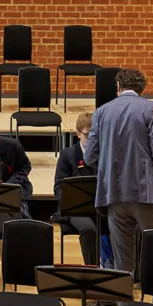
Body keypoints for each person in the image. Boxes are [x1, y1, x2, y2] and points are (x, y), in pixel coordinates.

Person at [84, 68, 153, 273]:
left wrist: (110, 162)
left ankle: (124, 295)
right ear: (141, 89)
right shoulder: (150, 108)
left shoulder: (101, 112)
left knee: (123, 263)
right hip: (147, 194)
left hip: (114, 196)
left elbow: (89, 157)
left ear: (118, 86)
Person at [53, 113, 100, 264]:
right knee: (88, 229)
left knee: (125, 222)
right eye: (88, 135)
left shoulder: (104, 154)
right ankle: (93, 269)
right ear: (78, 134)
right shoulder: (68, 155)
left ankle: (122, 269)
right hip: (74, 209)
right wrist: (69, 202)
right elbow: (58, 187)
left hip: (99, 207)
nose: (92, 140)